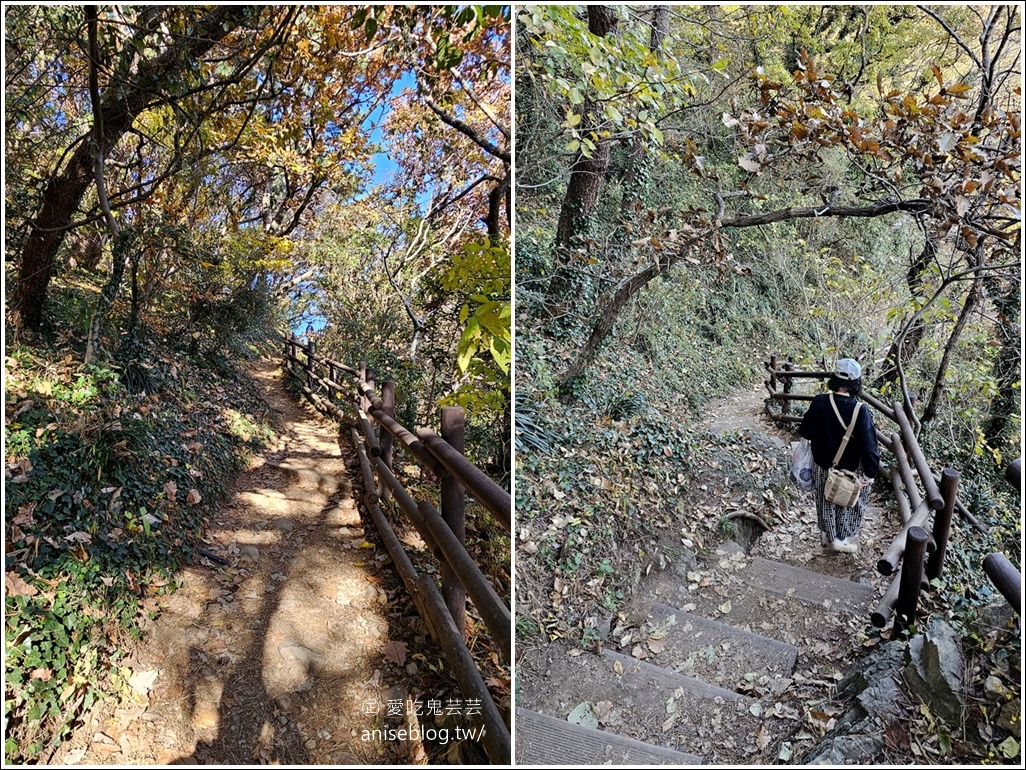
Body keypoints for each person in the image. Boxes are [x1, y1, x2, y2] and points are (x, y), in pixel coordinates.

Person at [799, 358, 879, 554]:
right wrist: (870, 472)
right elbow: (869, 446)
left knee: (825, 500)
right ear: (856, 382)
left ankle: (829, 534)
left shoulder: (819, 402)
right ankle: (841, 538)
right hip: (849, 469)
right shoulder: (860, 411)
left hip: (822, 466)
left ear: (834, 378)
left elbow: (806, 431)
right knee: (848, 503)